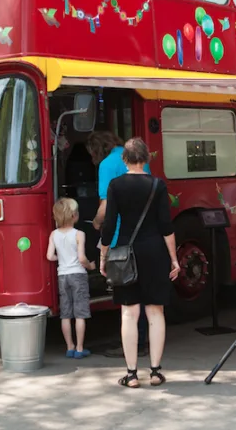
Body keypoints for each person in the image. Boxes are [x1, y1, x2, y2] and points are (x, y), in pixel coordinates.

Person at [99, 138, 181, 388]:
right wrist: (174, 259)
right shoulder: (157, 185)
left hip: (126, 253)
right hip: (155, 251)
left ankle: (132, 374)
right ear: (146, 159)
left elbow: (109, 224)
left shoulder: (116, 185)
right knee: (155, 311)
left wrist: (103, 256)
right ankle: (155, 371)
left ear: (124, 159)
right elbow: (166, 226)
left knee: (129, 313)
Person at [88, 130, 151, 357]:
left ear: (97, 150)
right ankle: (144, 340)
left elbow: (106, 208)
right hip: (145, 237)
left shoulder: (106, 165)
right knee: (144, 295)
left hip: (119, 239)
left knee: (126, 297)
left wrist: (96, 222)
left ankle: (134, 345)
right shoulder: (140, 163)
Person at [47, 198, 95, 358]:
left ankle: (70, 347)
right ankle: (80, 348)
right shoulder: (79, 234)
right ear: (74, 215)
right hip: (78, 275)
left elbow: (49, 256)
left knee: (66, 313)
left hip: (63, 275)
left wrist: (61, 258)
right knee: (80, 313)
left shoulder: (54, 235)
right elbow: (81, 258)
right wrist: (90, 266)